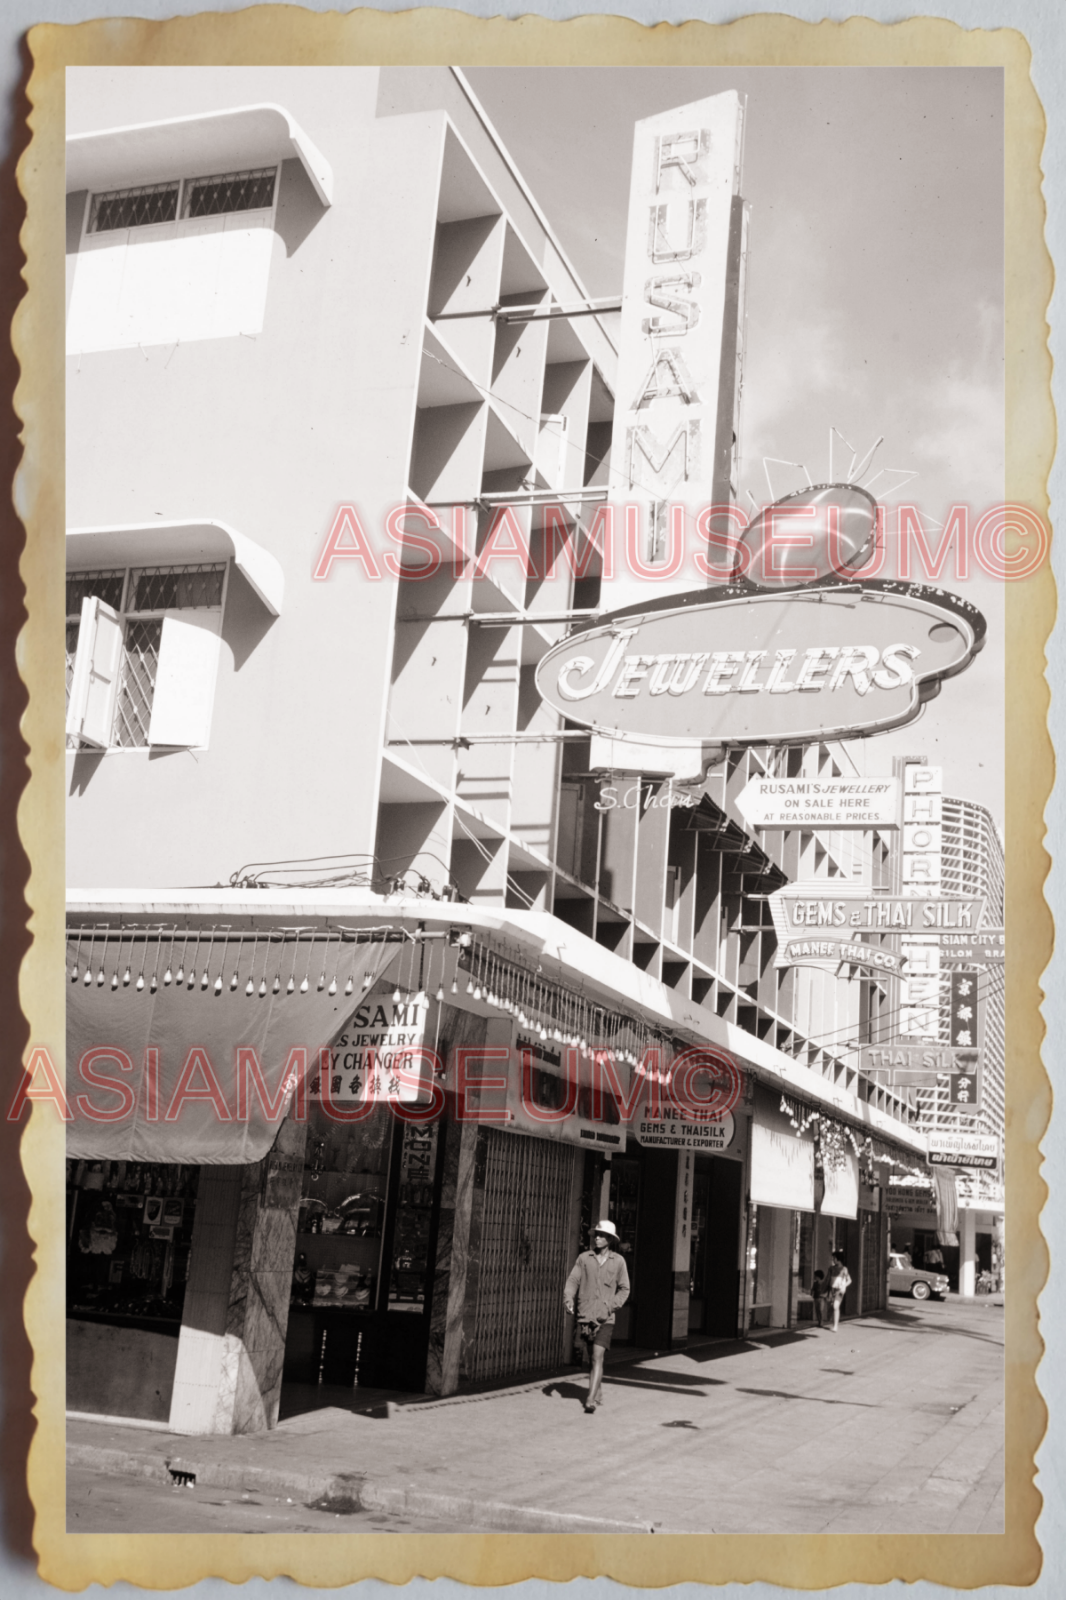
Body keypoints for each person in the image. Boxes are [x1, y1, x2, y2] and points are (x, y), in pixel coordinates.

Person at [563, 1219, 630, 1413]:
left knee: (597, 1357)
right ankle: (598, 1391)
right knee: (591, 1356)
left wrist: (610, 1306)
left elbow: (625, 1289)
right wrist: (568, 1298)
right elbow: (573, 1280)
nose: (597, 1238)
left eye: (601, 1236)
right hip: (585, 1316)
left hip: (605, 1319)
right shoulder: (584, 1259)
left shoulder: (618, 1262)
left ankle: (590, 1399)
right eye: (596, 1235)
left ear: (610, 1239)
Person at [826, 1251, 851, 1332]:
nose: (833, 1259)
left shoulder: (844, 1269)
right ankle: (834, 1324)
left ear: (838, 1259)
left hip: (840, 1290)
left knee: (835, 1306)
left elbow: (849, 1280)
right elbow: (828, 1279)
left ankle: (835, 1326)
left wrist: (844, 1286)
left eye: (834, 1258)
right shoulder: (831, 1268)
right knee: (832, 1307)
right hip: (831, 1289)